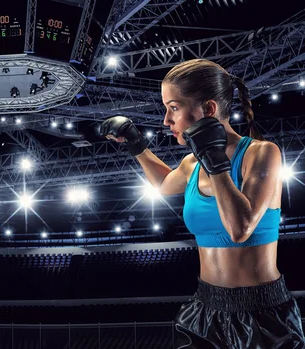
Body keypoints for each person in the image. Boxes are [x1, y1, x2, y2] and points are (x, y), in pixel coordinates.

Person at [100, 59, 305, 348]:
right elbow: (163, 184)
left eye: (174, 108)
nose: (166, 121)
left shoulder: (261, 153)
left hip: (264, 315)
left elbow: (240, 228)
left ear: (208, 110)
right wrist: (136, 145)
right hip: (205, 309)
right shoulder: (190, 163)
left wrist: (214, 159)